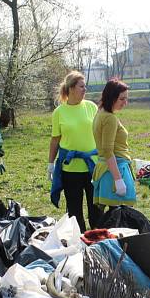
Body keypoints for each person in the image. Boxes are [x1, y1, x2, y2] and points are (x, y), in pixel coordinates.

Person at [48, 71, 101, 232]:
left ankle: (97, 237)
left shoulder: (91, 107)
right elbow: (55, 139)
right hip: (70, 169)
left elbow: (101, 132)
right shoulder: (59, 112)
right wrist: (50, 163)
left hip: (92, 166)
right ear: (71, 88)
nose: (85, 89)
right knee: (74, 209)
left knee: (96, 207)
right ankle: (79, 241)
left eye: (85, 86)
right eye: (81, 86)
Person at [92, 78, 136, 208]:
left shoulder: (100, 113)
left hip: (105, 168)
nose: (125, 103)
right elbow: (107, 150)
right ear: (112, 97)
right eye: (122, 99)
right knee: (120, 218)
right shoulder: (109, 118)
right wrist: (118, 180)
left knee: (111, 217)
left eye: (126, 99)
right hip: (114, 170)